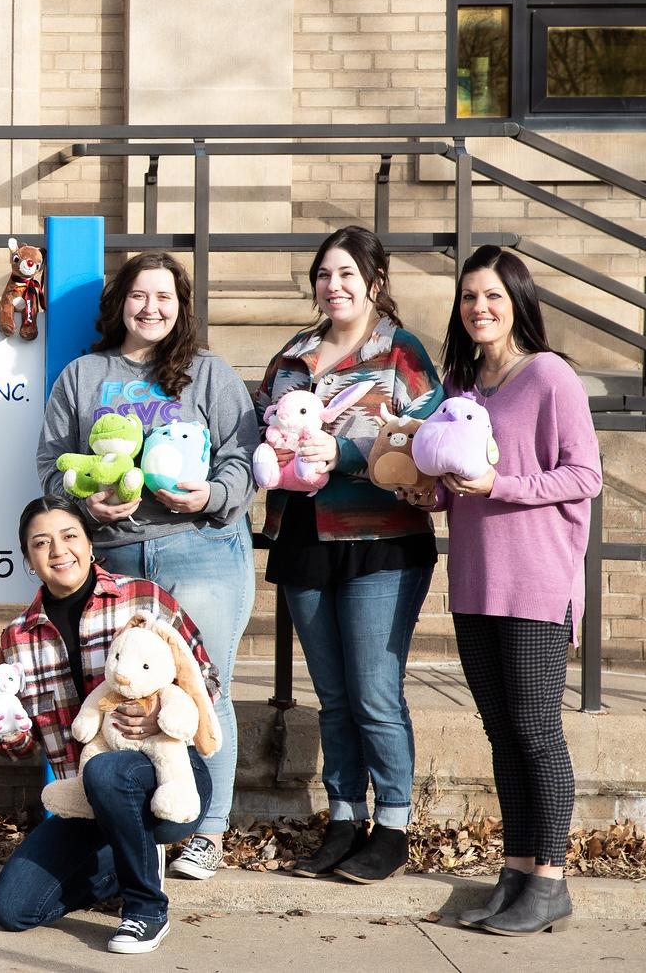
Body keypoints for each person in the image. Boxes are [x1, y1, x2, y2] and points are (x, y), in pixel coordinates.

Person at [35, 252, 258, 881]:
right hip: (116, 557)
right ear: (119, 303)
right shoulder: (83, 375)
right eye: (139, 295)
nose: (152, 308)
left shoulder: (209, 374)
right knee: (121, 691)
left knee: (203, 689)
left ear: (181, 305)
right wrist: (88, 504)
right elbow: (52, 463)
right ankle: (143, 827)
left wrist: (208, 496)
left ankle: (206, 831)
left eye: (165, 296)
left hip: (202, 550)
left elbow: (242, 457)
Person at [256, 226, 442, 882]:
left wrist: (350, 454)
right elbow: (263, 427)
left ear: (373, 282)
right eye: (322, 275)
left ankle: (391, 824)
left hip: (380, 544)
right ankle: (342, 817)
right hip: (304, 540)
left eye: (344, 274)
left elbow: (430, 437)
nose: (331, 286)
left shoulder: (400, 354)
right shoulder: (291, 356)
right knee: (332, 697)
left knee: (372, 694)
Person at [429, 246, 601, 935]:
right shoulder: (458, 384)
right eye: (469, 296)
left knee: (535, 731)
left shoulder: (550, 376)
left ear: (518, 302)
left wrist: (499, 486)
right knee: (501, 734)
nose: (479, 308)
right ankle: (516, 867)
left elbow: (582, 474)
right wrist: (429, 491)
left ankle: (550, 880)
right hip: (474, 582)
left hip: (535, 582)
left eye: (492, 296)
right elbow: (453, 484)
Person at [0, 497, 223, 955]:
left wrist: (162, 715)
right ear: (28, 559)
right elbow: (23, 746)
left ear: (90, 543)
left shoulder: (143, 598)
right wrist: (7, 732)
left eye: (69, 536)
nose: (59, 550)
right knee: (13, 909)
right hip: (89, 796)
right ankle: (126, 856)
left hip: (170, 778)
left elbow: (207, 678)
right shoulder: (17, 637)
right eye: (41, 543)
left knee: (108, 771)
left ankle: (146, 909)